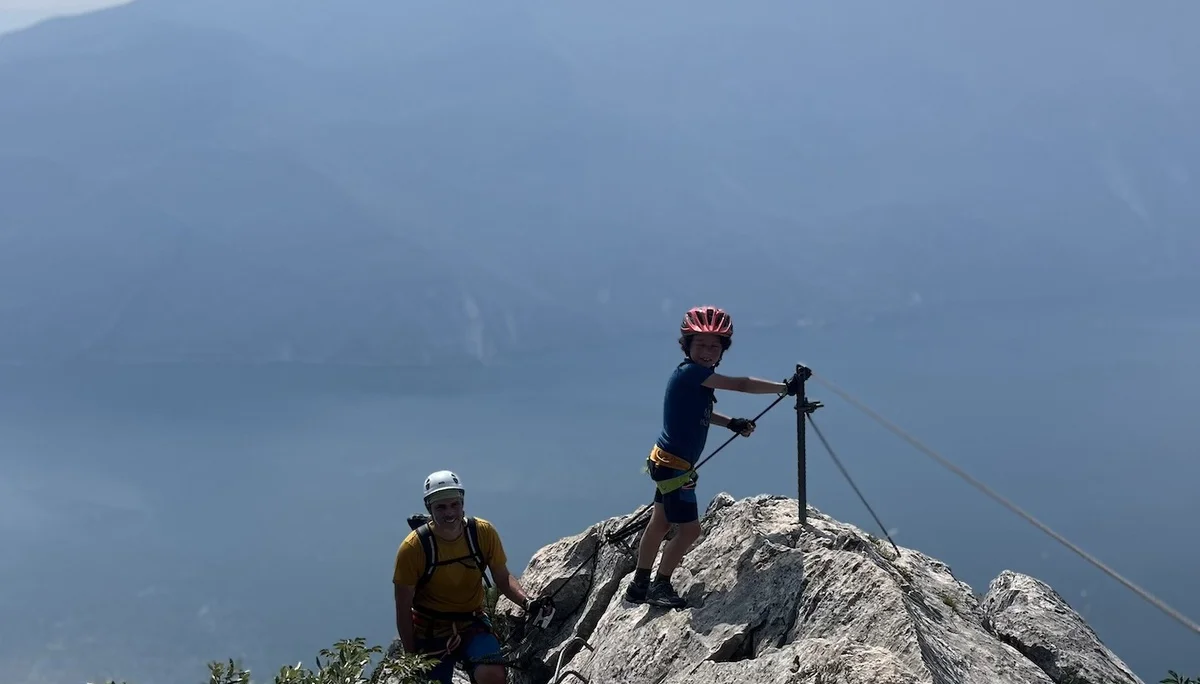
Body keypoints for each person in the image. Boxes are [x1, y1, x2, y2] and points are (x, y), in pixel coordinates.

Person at [624, 305, 801, 608]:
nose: (707, 351)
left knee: (660, 524)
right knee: (691, 530)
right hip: (675, 469)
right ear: (687, 346)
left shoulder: (693, 376)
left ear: (722, 349)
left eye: (714, 345)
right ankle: (660, 586)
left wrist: (731, 422)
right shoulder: (693, 374)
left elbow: (700, 414)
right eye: (701, 344)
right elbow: (741, 384)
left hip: (664, 462)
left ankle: (638, 585)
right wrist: (784, 388)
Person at [393, 470, 547, 684]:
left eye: (454, 504)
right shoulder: (413, 548)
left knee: (492, 674)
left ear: (462, 503)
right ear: (429, 508)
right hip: (430, 631)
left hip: (471, 622)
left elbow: (502, 577)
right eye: (441, 507)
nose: (449, 513)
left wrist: (527, 603)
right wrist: (411, 660)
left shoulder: (482, 533)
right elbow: (403, 608)